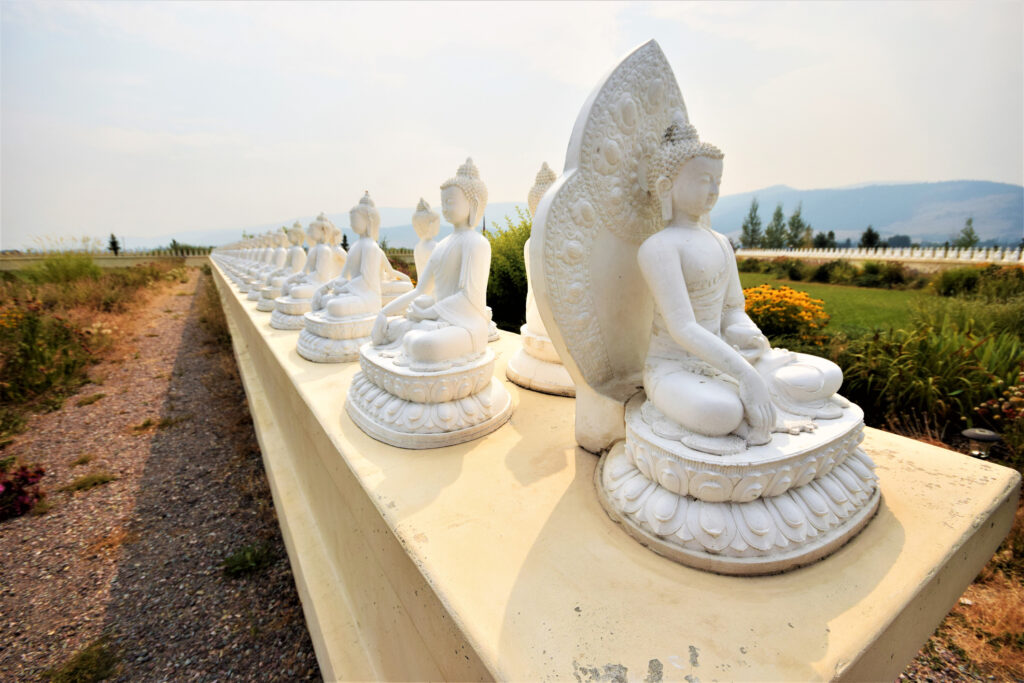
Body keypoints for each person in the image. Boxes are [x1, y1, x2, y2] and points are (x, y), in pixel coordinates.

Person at [638, 113, 843, 446]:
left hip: (729, 356)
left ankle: (753, 395)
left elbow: (732, 308)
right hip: (675, 366)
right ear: (666, 187)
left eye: (718, 180)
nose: (714, 189)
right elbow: (683, 327)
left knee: (826, 375)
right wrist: (745, 374)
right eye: (704, 179)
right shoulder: (658, 247)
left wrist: (748, 334)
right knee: (722, 413)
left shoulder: (720, 241)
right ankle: (743, 402)